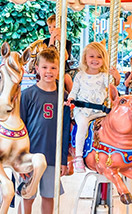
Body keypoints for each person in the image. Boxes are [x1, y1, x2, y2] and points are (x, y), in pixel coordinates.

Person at [18, 47, 70, 214]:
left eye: (53, 67)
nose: (49, 71)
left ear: (59, 69)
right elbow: (20, 128)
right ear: (37, 68)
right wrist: (19, 159)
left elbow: (65, 130)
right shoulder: (27, 95)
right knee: (27, 196)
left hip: (52, 156)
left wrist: (63, 159)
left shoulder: (63, 97)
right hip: (30, 156)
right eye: (45, 67)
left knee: (49, 196)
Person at [65, 42, 121, 173]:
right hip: (83, 110)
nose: (95, 60)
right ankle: (78, 156)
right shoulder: (80, 75)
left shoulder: (104, 76)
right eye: (92, 56)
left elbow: (113, 86)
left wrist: (116, 77)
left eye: (99, 57)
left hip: (99, 111)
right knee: (83, 125)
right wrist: (71, 98)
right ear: (85, 58)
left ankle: (113, 152)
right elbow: (74, 91)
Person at [44, 14, 73, 93]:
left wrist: (61, 41)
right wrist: (52, 38)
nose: (51, 29)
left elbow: (66, 57)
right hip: (49, 67)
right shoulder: (46, 42)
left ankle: (72, 98)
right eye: (49, 27)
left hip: (63, 69)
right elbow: (48, 55)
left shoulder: (67, 43)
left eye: (54, 27)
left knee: (67, 79)